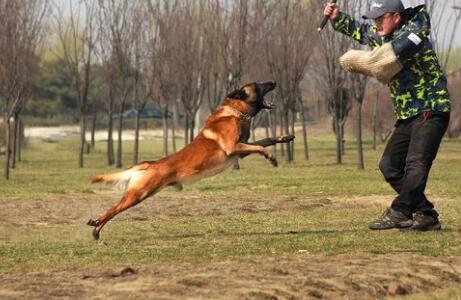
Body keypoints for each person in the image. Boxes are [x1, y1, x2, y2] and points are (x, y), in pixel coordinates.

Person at [323, 0, 451, 231]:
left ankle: (399, 210)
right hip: (408, 114)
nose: (376, 24)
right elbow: (362, 32)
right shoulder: (386, 33)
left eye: (381, 18)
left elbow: (384, 59)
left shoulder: (414, 33)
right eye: (374, 19)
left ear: (396, 17)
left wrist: (358, 60)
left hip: (430, 108)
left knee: (416, 164)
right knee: (389, 165)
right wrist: (337, 18)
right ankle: (425, 213)